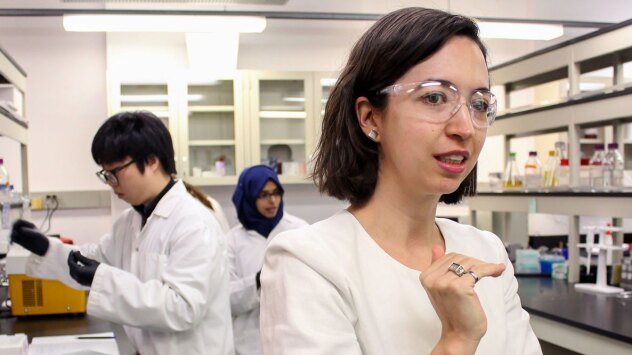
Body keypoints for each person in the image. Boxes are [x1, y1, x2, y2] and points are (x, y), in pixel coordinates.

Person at [259, 7, 542, 355]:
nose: (465, 127)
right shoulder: (309, 262)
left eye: (479, 104)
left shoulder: (487, 253)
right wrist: (456, 341)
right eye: (435, 97)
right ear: (370, 116)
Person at [11, 111, 234, 355]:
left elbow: (182, 308)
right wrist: (46, 248)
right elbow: (94, 259)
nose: (110, 182)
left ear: (151, 161)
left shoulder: (194, 223)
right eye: (105, 174)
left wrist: (102, 279)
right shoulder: (130, 221)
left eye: (115, 172)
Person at [226, 165, 308, 355]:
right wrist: (257, 281)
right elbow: (226, 297)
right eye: (263, 195)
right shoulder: (232, 240)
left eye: (276, 193)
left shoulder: (299, 230)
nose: (272, 200)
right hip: (249, 342)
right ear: (248, 197)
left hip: (294, 337)